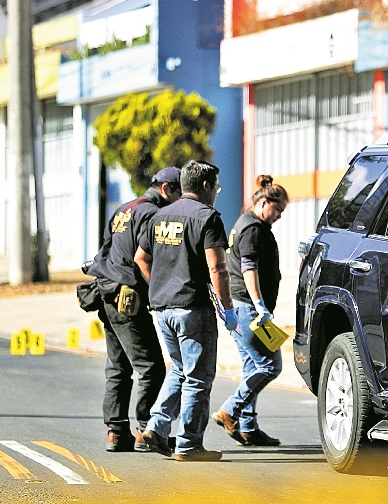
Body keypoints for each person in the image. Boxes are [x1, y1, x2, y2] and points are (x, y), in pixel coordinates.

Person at [133, 160, 237, 462]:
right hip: (193, 309)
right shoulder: (208, 217)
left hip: (163, 310)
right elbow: (217, 267)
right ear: (205, 186)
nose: (217, 193)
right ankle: (189, 444)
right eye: (216, 187)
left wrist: (162, 286)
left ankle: (156, 426)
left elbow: (142, 258)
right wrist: (228, 309)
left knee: (179, 369)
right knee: (198, 378)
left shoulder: (159, 216)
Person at [85, 167, 181, 452]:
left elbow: (105, 249)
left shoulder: (124, 209)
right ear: (166, 189)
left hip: (107, 292)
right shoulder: (152, 214)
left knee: (118, 367)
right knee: (151, 368)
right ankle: (145, 431)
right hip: (128, 297)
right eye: (177, 194)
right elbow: (147, 258)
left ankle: (116, 433)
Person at [212, 176, 288, 446]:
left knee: (251, 367)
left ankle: (248, 427)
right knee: (270, 366)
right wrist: (259, 304)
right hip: (248, 306)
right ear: (264, 202)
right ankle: (230, 410)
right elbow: (249, 268)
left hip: (240, 305)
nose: (279, 216)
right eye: (277, 209)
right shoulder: (253, 228)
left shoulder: (245, 222)